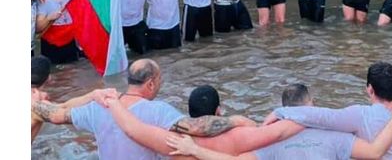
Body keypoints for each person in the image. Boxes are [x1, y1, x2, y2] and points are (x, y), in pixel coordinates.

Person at [32, 59, 252, 158]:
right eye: (160, 79)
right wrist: (236, 121)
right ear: (150, 84)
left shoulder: (100, 105)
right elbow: (197, 127)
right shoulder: (158, 111)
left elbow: (57, 115)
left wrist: (32, 103)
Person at [168, 83, 392, 159]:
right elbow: (376, 152)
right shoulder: (337, 135)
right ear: (312, 104)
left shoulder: (267, 139)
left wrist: (195, 149)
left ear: (283, 110)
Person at [31, 57, 119, 142]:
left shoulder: (37, 102)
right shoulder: (36, 102)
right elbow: (60, 114)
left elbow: (63, 107)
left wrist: (93, 95)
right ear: (49, 78)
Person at [35, 0, 79, 64]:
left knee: (73, 70)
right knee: (53, 74)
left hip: (69, 41)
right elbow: (38, 29)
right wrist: (49, 18)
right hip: (51, 44)